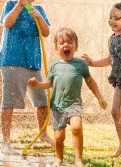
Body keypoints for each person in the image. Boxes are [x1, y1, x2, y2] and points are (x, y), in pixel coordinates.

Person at [28, 28, 107, 167]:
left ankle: (78, 159)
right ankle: (58, 158)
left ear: (76, 46)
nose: (66, 45)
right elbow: (48, 83)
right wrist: (37, 84)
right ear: (56, 47)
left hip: (74, 104)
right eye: (62, 42)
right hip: (57, 106)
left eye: (70, 42)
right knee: (59, 137)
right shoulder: (54, 65)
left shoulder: (81, 64)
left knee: (76, 127)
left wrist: (99, 97)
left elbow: (90, 81)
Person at [0, 0, 54, 155]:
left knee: (42, 101)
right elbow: (7, 23)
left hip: (32, 62)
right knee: (10, 102)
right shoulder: (11, 5)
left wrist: (39, 17)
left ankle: (43, 135)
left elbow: (45, 33)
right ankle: (6, 142)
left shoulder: (39, 9)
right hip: (12, 61)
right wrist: (20, 6)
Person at [82, 2, 121, 160]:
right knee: (115, 111)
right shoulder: (112, 39)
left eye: (116, 17)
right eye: (110, 17)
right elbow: (110, 60)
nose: (112, 21)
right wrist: (92, 63)